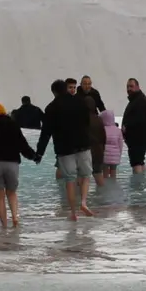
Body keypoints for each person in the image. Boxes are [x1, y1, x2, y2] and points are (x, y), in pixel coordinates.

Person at [36, 79, 96, 219]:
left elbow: (46, 133)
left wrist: (39, 153)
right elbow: (87, 122)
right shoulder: (80, 102)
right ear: (66, 88)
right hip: (83, 145)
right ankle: (83, 202)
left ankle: (73, 212)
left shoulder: (51, 108)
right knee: (86, 175)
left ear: (54, 92)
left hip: (64, 149)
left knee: (70, 179)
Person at [0, 101, 38, 228]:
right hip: (12, 163)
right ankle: (15, 218)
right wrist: (33, 156)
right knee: (12, 193)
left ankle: (4, 225)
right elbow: (22, 144)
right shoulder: (13, 125)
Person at [121, 79, 146, 171]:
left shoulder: (139, 100)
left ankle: (137, 180)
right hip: (138, 138)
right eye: (127, 86)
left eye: (131, 86)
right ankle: (142, 179)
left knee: (136, 162)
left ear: (137, 87)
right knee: (140, 161)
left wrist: (126, 126)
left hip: (137, 138)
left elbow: (140, 119)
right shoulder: (136, 99)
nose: (129, 89)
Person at [100, 107, 123, 181]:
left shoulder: (102, 130)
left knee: (105, 175)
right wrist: (119, 155)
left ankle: (105, 186)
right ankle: (113, 184)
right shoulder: (118, 130)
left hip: (104, 156)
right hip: (115, 157)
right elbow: (120, 145)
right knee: (113, 173)